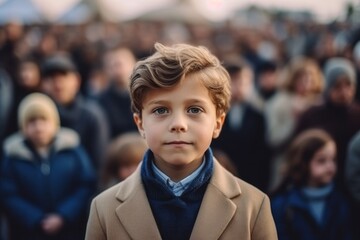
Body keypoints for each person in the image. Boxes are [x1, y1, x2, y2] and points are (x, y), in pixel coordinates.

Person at [85, 43, 277, 240]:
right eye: (161, 110)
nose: (178, 124)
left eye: (194, 110)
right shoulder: (104, 209)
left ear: (218, 123)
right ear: (140, 124)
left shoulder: (254, 206)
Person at [0, 93, 96, 240]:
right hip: (28, 232)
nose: (39, 127)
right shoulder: (13, 157)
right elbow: (9, 194)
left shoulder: (72, 150)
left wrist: (63, 215)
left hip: (69, 231)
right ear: (23, 126)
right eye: (32, 121)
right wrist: (35, 218)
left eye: (44, 120)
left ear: (54, 122)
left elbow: (85, 183)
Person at [271, 129, 353, 240]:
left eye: (333, 159)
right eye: (321, 160)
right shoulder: (283, 206)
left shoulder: (340, 201)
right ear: (302, 163)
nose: (330, 166)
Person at [294, 57, 360, 189]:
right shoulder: (312, 115)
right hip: (316, 183)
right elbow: (299, 151)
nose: (344, 92)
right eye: (337, 86)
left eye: (348, 85)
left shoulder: (357, 115)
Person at [40, 52, 109, 170]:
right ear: (43, 84)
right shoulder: (36, 116)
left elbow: (99, 164)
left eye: (63, 75)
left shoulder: (92, 116)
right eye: (51, 77)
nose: (57, 83)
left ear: (76, 80)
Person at [211, 59, 271, 192]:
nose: (240, 87)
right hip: (220, 178)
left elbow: (262, 153)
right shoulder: (214, 113)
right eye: (235, 82)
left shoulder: (257, 115)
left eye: (245, 82)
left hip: (250, 179)